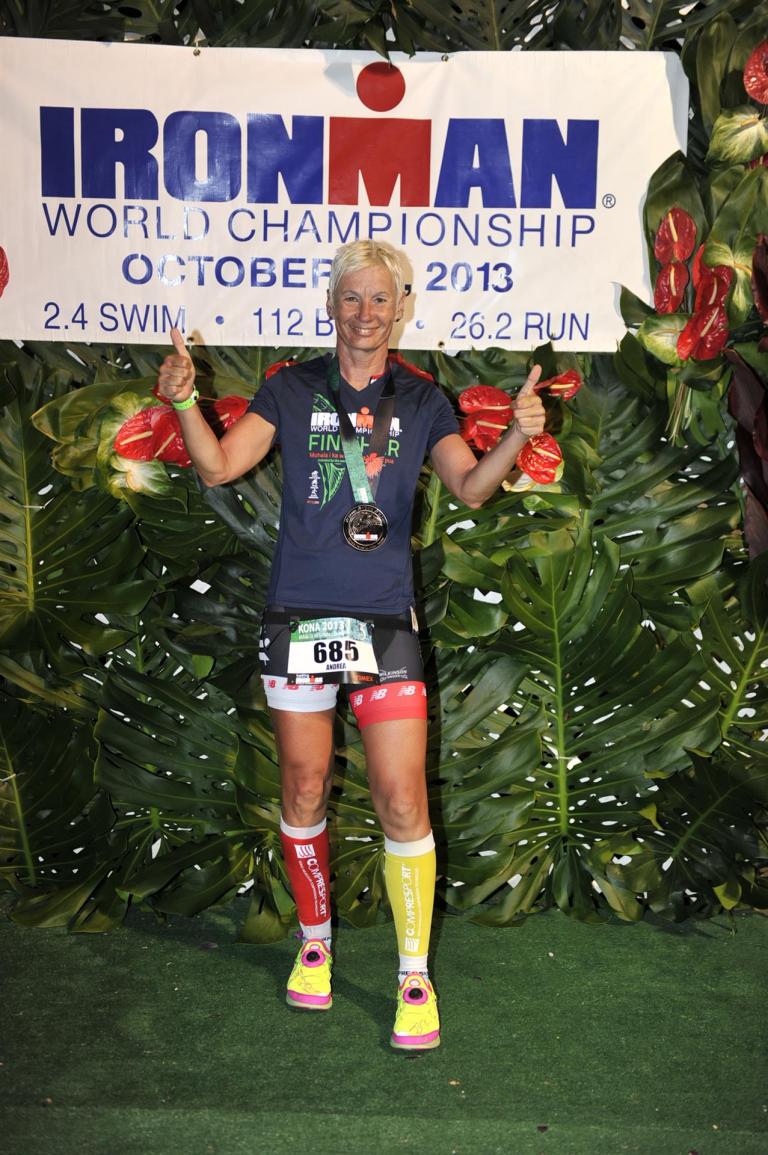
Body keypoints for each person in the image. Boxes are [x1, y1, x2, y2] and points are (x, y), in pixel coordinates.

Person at [155, 239, 545, 1051]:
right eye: (352, 298)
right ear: (330, 306)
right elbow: (220, 467)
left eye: (380, 299)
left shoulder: (424, 400)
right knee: (303, 788)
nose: (366, 313)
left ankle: (413, 975)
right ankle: (315, 940)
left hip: (384, 623)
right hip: (298, 617)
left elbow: (473, 486)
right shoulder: (291, 388)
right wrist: (186, 401)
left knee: (402, 798)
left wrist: (516, 434)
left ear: (401, 309)